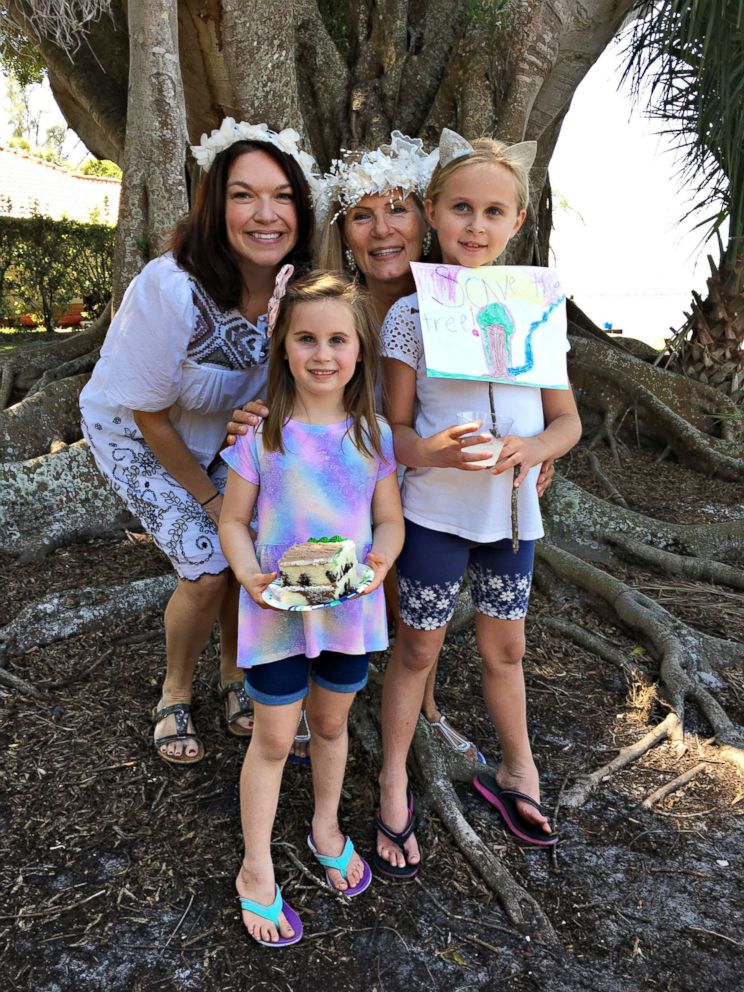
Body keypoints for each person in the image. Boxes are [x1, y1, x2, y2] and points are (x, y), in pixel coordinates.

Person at [230, 131, 530, 763]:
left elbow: (516, 386)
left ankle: (415, 704)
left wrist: (532, 445)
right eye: (361, 215)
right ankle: (279, 687)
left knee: (406, 571)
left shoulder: (468, 302)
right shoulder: (326, 310)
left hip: (418, 484)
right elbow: (285, 392)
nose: (382, 228)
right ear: (345, 232)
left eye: (397, 208)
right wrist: (254, 423)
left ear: (425, 216)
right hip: (328, 482)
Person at [374, 129, 582, 879]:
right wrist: (429, 453)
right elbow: (395, 431)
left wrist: (538, 449)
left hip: (514, 520)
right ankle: (394, 776)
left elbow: (568, 420)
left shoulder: (538, 310)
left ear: (518, 222)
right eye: (461, 207)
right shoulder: (411, 316)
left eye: (494, 212)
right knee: (419, 646)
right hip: (435, 514)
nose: (475, 225)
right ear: (432, 211)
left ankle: (518, 769)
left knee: (506, 648)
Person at [79, 120, 316, 763]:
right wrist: (214, 501)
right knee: (212, 566)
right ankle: (175, 692)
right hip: (136, 433)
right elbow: (151, 417)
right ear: (215, 203)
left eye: (282, 196)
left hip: (225, 435)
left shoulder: (297, 287)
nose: (265, 214)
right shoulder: (171, 285)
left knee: (254, 550)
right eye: (244, 196)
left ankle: (235, 677)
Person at [218, 270, 404, 945]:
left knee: (331, 725)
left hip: (346, 614)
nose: (322, 354)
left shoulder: (374, 435)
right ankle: (255, 867)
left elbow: (388, 522)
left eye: (337, 340)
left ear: (359, 351)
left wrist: (380, 562)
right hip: (274, 614)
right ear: (284, 347)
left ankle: (326, 824)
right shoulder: (264, 436)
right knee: (273, 739)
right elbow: (235, 520)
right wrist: (247, 573)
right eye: (306, 339)